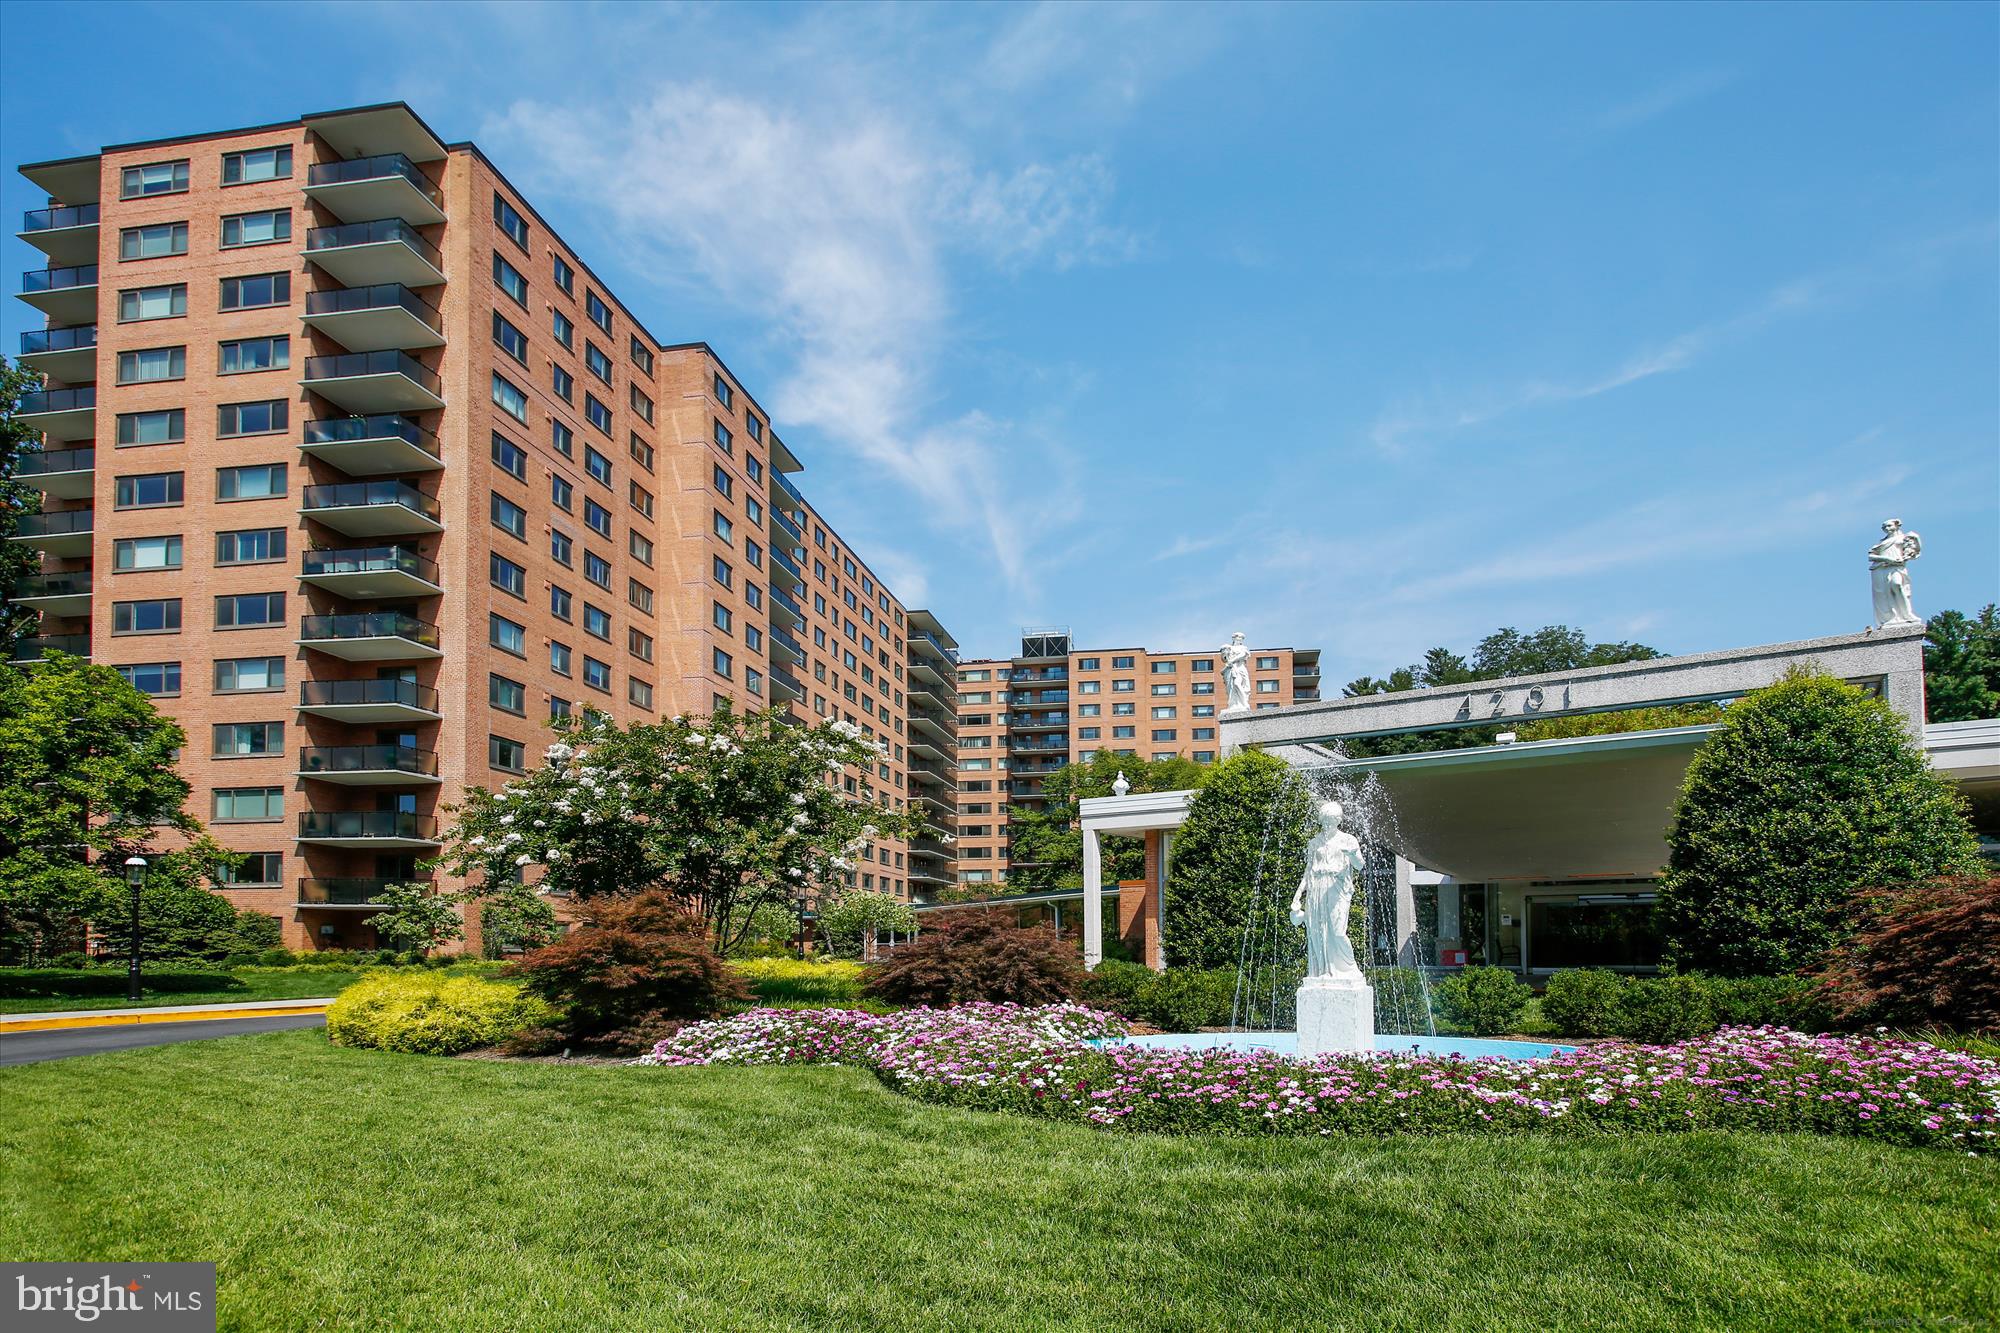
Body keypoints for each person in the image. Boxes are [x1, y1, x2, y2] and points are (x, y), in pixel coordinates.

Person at [1289, 799, 1366, 978]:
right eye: (1325, 820)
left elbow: (1360, 865)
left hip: (1337, 887)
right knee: (1317, 930)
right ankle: (1323, 971)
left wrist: (1352, 854)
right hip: (1316, 888)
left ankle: (1349, 969)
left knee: (1338, 930)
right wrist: (1298, 894)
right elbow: (1308, 871)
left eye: (1331, 821)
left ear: (1338, 820)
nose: (1327, 824)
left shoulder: (1348, 839)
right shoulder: (1314, 843)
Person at [1867, 518, 1922, 628]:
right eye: (1884, 527)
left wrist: (1917, 539)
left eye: (1889, 526)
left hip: (1896, 567)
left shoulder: (1903, 538)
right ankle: (1892, 617)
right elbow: (1870, 556)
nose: (1887, 529)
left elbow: (1915, 550)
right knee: (1885, 593)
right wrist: (1887, 559)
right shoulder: (1882, 542)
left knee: (1896, 585)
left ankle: (1907, 614)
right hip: (1881, 568)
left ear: (1896, 526)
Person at [1221, 632, 1252, 712]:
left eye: (1242, 638)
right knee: (1231, 687)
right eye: (1239, 638)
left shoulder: (1243, 648)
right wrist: (1224, 653)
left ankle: (1244, 703)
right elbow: (1224, 659)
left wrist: (1232, 660)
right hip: (1231, 669)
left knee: (1237, 684)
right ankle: (1233, 704)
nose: (1241, 640)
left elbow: (1243, 655)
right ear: (1234, 638)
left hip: (1240, 668)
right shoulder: (1229, 648)